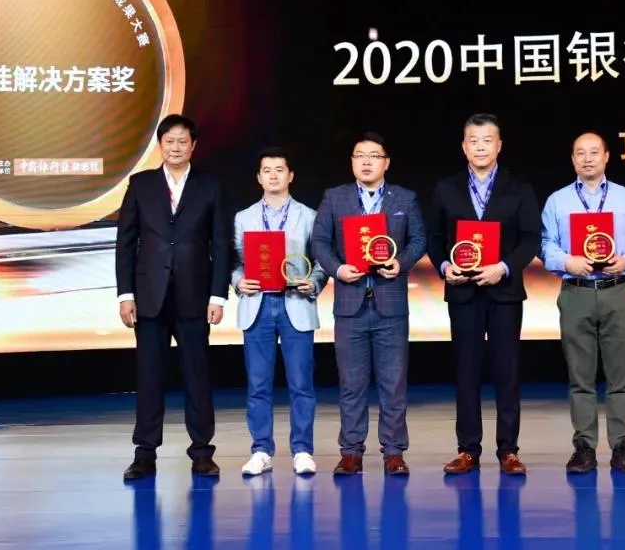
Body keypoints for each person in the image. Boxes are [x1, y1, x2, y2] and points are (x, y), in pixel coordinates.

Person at [115, 114, 231, 480]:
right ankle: (144, 454)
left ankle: (202, 452)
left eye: (183, 141)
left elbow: (221, 245)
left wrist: (218, 296)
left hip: (195, 296)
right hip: (149, 297)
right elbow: (125, 243)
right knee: (149, 377)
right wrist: (125, 294)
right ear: (160, 145)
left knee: (197, 376)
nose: (176, 147)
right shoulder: (141, 184)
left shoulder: (210, 186)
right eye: (169, 141)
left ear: (193, 146)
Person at [427, 113, 541, 475]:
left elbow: (530, 239)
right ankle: (468, 449)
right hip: (463, 292)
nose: (480, 147)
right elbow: (434, 238)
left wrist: (503, 267)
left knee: (507, 371)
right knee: (466, 371)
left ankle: (508, 450)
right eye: (473, 141)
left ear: (499, 145)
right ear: (464, 147)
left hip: (504, 291)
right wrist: (444, 266)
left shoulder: (518, 187)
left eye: (487, 140)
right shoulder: (446, 188)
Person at [311, 132, 427, 476]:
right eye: (359, 155)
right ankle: (351, 451)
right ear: (352, 162)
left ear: (386, 163)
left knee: (394, 384)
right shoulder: (335, 198)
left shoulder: (404, 198)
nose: (366, 161)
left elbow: (419, 239)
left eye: (374, 156)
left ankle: (394, 452)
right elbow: (320, 242)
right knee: (351, 384)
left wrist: (401, 263)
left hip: (391, 305)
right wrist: (337, 269)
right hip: (350, 304)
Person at [539, 131, 625, 475]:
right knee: (580, 376)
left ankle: (622, 446)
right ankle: (584, 447)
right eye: (580, 153)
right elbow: (546, 244)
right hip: (575, 292)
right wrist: (566, 261)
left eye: (594, 152)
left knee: (621, 375)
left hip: (618, 290)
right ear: (573, 159)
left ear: (606, 157)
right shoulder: (557, 200)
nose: (587, 159)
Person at [232, 147, 329, 476]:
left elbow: (321, 262)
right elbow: (235, 263)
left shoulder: (309, 216)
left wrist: (313, 282)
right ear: (258, 178)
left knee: (301, 383)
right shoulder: (243, 218)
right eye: (267, 170)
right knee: (258, 384)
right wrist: (238, 281)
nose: (273, 176)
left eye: (279, 170)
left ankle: (302, 450)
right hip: (257, 305)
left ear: (291, 176)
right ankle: (261, 450)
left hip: (295, 304)